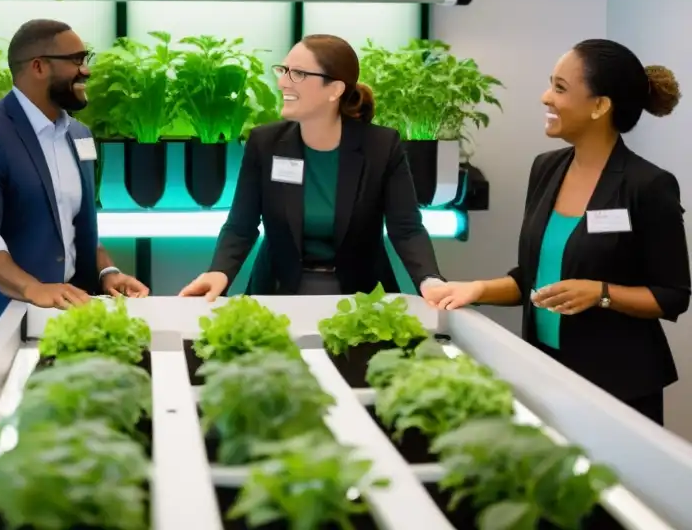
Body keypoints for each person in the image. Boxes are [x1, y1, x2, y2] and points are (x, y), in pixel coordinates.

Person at [424, 39, 690, 425]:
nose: (546, 97)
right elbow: (534, 277)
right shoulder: (546, 168)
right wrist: (475, 290)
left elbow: (672, 296)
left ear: (600, 105)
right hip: (546, 370)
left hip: (618, 387)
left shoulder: (647, 185)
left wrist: (601, 294)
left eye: (560, 88)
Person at [0, 19, 148, 384]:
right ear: (38, 66)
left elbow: (70, 225)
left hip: (62, 323)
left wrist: (106, 272)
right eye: (77, 60)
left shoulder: (78, 135)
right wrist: (33, 288)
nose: (87, 70)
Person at [179, 34, 445, 301]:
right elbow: (241, 225)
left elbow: (406, 228)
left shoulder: (381, 146)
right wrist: (218, 272)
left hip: (362, 295)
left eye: (298, 74)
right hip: (278, 290)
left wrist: (429, 280)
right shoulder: (265, 143)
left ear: (335, 90)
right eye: (283, 70)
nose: (282, 82)